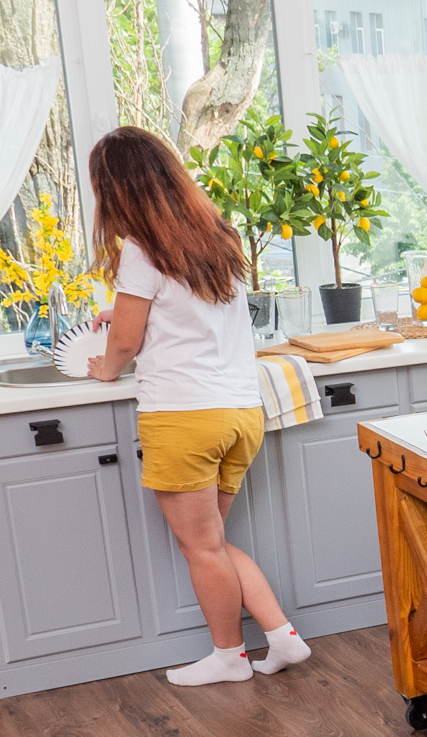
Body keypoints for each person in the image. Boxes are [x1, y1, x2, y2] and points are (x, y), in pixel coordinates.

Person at [84, 125, 310, 686]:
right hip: (240, 411)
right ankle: (282, 639)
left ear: (116, 190)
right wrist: (129, 313)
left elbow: (125, 346)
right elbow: (194, 311)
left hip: (184, 416)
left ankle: (229, 659)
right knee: (214, 542)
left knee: (202, 548)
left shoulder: (140, 249)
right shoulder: (215, 233)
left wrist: (105, 368)